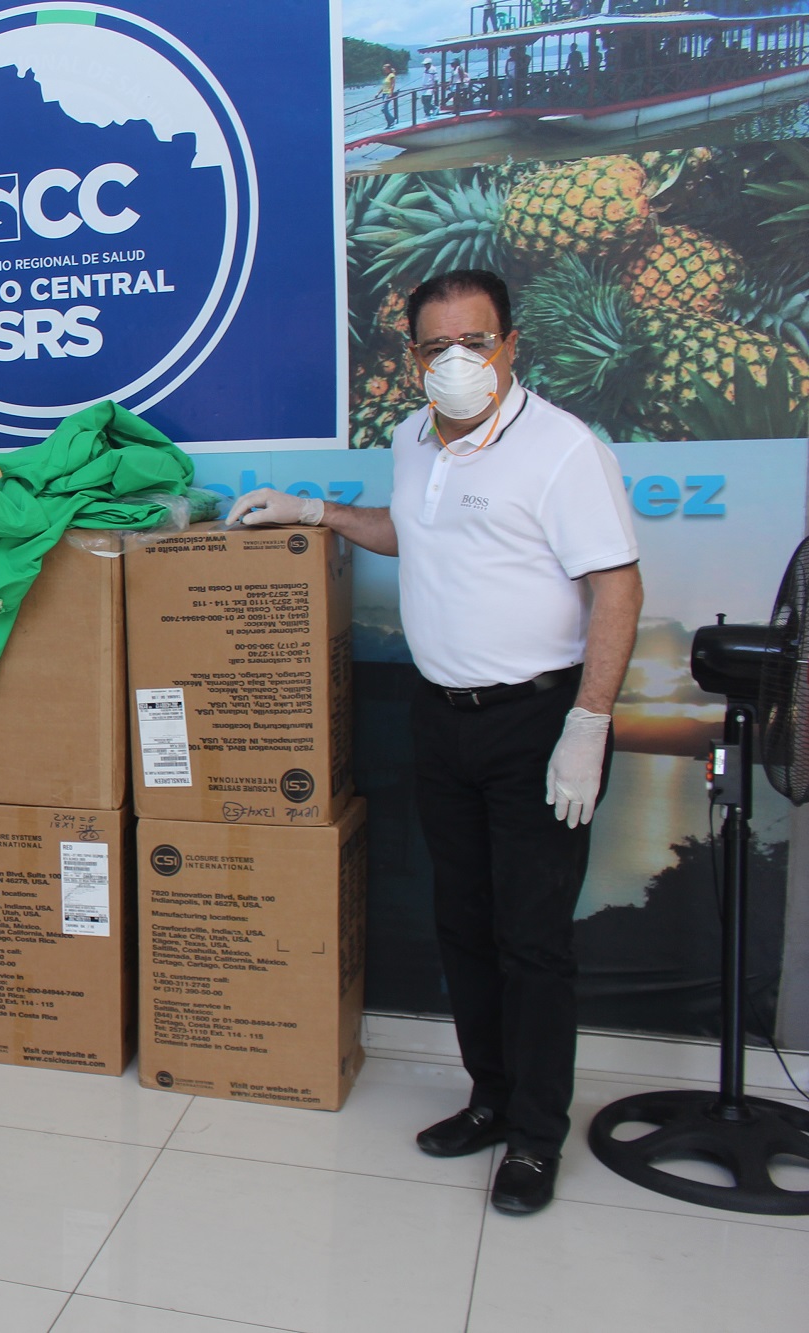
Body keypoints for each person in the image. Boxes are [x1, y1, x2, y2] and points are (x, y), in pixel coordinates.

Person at [229, 269, 642, 1217]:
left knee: (532, 939)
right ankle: (489, 1096)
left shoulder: (563, 450)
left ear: (511, 345)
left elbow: (618, 586)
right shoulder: (413, 438)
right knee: (463, 921)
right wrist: (321, 513)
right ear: (412, 355)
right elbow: (413, 531)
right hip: (442, 716)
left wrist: (589, 721)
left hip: (538, 722)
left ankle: (536, 1134)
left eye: (477, 341)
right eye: (437, 346)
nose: (458, 361)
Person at [380, 62, 399, 128]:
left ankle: (392, 120)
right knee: (385, 109)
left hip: (388, 93)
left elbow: (393, 85)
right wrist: (378, 93)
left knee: (383, 108)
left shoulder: (391, 75)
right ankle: (389, 123)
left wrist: (391, 93)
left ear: (388, 69)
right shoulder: (387, 76)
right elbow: (383, 86)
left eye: (385, 68)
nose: (384, 70)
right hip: (384, 94)